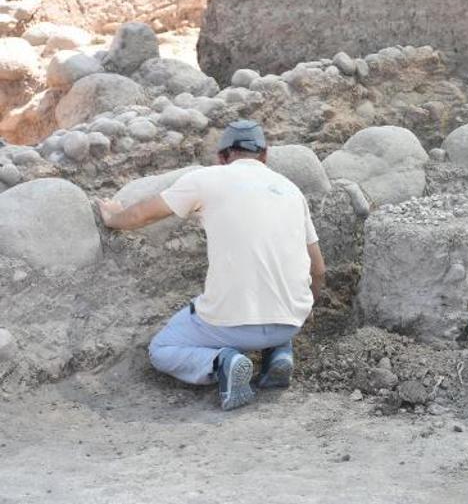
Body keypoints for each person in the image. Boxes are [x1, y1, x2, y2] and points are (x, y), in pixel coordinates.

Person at [97, 119, 326, 410]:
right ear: (265, 155)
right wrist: (303, 312)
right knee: (273, 292)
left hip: (231, 325)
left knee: (162, 348)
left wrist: (113, 217)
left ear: (222, 157)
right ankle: (279, 354)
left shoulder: (206, 179)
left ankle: (223, 362)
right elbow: (318, 270)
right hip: (290, 322)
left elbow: (143, 215)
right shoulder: (293, 191)